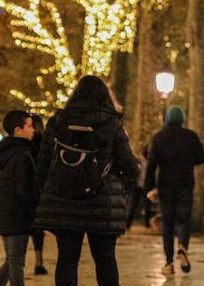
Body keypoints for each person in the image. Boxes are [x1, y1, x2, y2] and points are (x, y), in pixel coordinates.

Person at [34, 75, 140, 286]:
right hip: (102, 203)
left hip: (63, 201)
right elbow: (129, 166)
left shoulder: (58, 121)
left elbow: (43, 161)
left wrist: (49, 187)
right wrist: (119, 189)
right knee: (105, 259)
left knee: (66, 259)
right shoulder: (111, 123)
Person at [143, 106, 204, 275]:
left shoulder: (159, 137)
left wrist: (149, 188)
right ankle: (183, 247)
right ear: (182, 119)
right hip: (186, 183)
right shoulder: (191, 136)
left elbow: (151, 165)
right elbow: (202, 158)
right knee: (183, 219)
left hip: (165, 185)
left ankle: (169, 263)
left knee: (168, 224)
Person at [0, 110, 39, 286]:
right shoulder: (22, 154)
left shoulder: (3, 153)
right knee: (17, 262)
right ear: (18, 130)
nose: (33, 130)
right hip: (18, 214)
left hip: (4, 212)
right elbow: (24, 188)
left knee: (12, 260)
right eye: (29, 126)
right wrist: (34, 211)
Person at [30, 113, 48, 275]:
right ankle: (38, 260)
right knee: (37, 228)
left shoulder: (25, 144)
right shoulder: (45, 144)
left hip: (28, 188)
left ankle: (16, 261)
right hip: (40, 190)